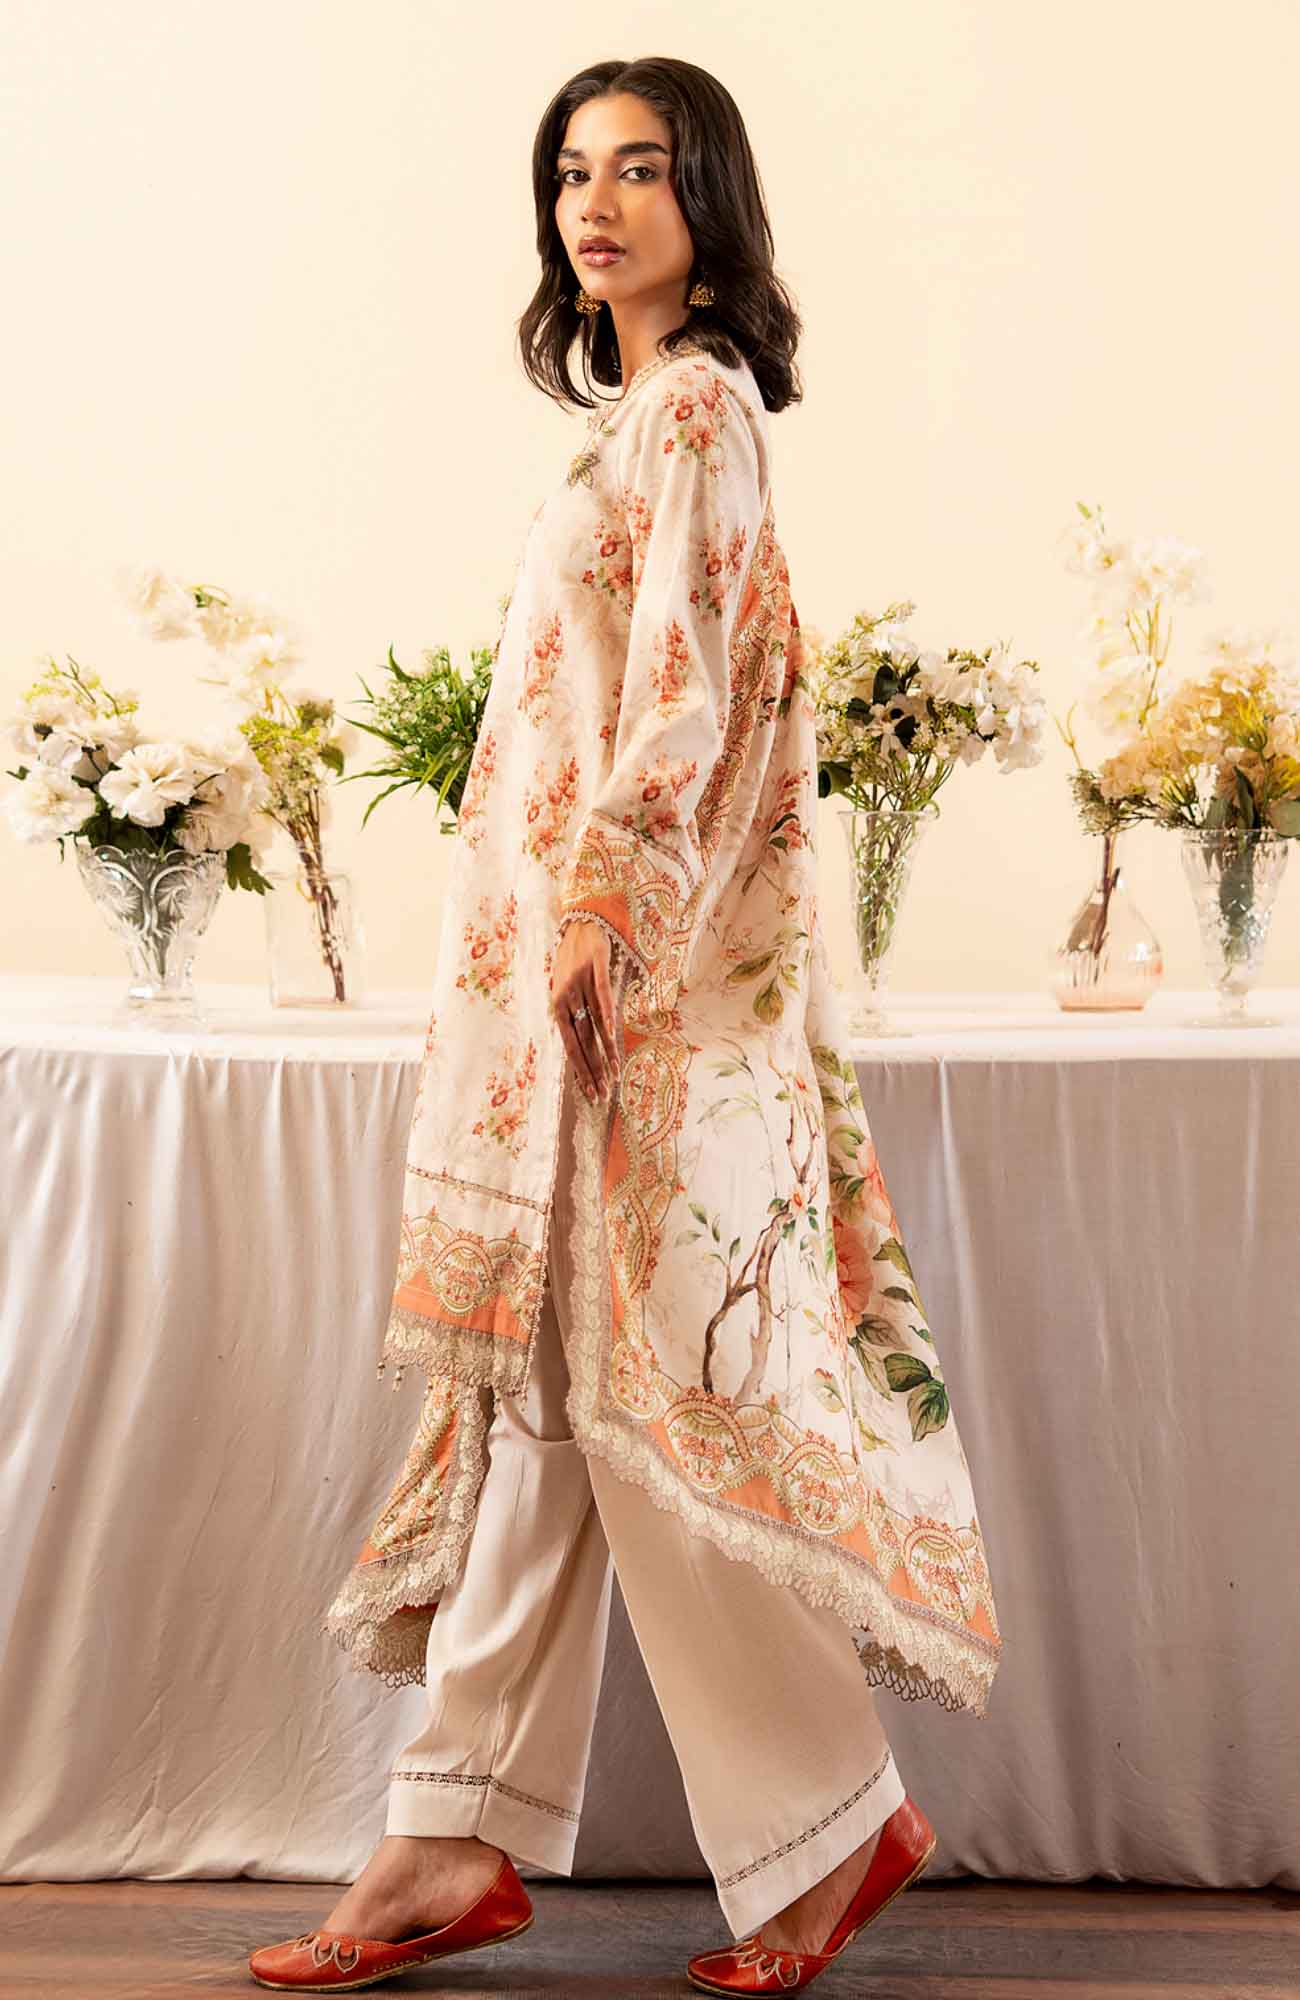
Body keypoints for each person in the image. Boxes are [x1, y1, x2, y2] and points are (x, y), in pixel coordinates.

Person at [250, 54, 1002, 1997]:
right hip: (586, 988)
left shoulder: (691, 408)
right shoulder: (643, 417)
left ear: (707, 200)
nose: (596, 203)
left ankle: (825, 1827)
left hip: (631, 991)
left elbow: (686, 683)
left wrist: (603, 902)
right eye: (573, 172)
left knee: (646, 1406)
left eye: (641, 169)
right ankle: (450, 1835)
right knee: (561, 1402)